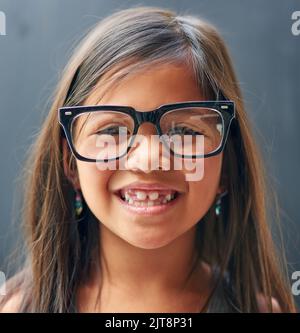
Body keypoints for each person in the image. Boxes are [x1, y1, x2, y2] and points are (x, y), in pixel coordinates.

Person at [0, 6, 296, 313]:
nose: (149, 160)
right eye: (112, 129)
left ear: (227, 166)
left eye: (184, 130)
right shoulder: (19, 307)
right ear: (70, 162)